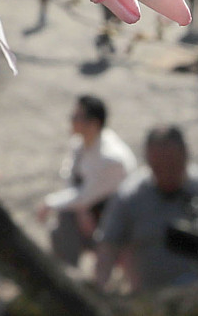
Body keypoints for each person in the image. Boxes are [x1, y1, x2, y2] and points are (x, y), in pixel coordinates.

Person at [94, 126, 198, 293]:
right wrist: (99, 291)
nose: (165, 174)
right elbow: (107, 247)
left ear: (185, 156)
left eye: (172, 166)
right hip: (149, 300)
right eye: (157, 167)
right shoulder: (130, 197)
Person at [37, 95, 136, 267]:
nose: (72, 121)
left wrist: (50, 203)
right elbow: (69, 176)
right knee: (62, 221)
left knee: (65, 219)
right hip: (92, 211)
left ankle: (68, 275)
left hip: (116, 224)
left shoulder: (111, 159)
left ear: (94, 123)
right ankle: (66, 271)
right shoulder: (80, 143)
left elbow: (85, 196)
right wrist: (81, 208)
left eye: (77, 117)